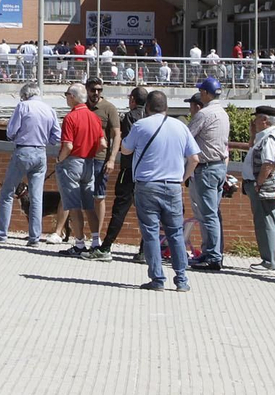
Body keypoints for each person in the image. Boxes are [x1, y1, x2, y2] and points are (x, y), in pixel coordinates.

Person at [121, 89, 201, 291]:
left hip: (147, 185)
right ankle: (181, 279)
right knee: (175, 233)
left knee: (150, 233)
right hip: (173, 185)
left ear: (147, 107)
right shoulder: (180, 127)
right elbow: (194, 159)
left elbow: (125, 149)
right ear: (166, 107)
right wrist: (182, 179)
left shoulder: (140, 125)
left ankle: (157, 279)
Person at [0, 81, 61, 246]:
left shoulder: (23, 107)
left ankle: (1, 233)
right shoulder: (49, 109)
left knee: (7, 193)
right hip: (41, 152)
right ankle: (34, 237)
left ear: (25, 95)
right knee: (36, 197)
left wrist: (16, 137)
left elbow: (11, 131)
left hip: (23, 150)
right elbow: (57, 136)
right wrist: (45, 140)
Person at [54, 83, 104, 256]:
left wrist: (59, 160)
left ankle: (80, 243)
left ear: (73, 97)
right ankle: (96, 241)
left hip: (72, 162)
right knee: (89, 206)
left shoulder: (71, 117)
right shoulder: (94, 117)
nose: (67, 98)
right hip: (89, 162)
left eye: (67, 94)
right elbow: (103, 143)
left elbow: (68, 145)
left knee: (74, 206)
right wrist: (90, 153)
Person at [99, 86, 149, 254]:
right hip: (147, 172)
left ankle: (106, 246)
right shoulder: (151, 117)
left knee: (120, 209)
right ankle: (144, 251)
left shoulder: (130, 117)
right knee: (146, 212)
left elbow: (126, 143)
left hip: (129, 170)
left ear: (133, 99)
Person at [187, 76, 229, 271]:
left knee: (208, 214)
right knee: (213, 213)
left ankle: (212, 257)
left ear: (205, 93)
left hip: (206, 168)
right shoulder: (223, 113)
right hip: (219, 166)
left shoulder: (204, 114)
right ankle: (211, 252)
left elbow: (187, 137)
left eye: (201, 91)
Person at [243, 105, 275, 273]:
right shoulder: (263, 136)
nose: (254, 121)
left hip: (263, 187)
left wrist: (258, 184)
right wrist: (253, 134)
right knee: (263, 222)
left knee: (265, 223)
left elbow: (268, 163)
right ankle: (267, 260)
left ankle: (269, 262)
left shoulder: (270, 137)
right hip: (260, 185)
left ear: (264, 119)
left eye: (256, 118)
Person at [84, 78, 120, 256]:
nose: (96, 93)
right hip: (83, 158)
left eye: (99, 89)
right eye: (93, 89)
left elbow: (117, 135)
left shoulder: (109, 108)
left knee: (99, 197)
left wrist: (112, 159)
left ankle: (96, 238)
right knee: (82, 197)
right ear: (87, 90)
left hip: (100, 159)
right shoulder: (82, 107)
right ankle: (82, 237)